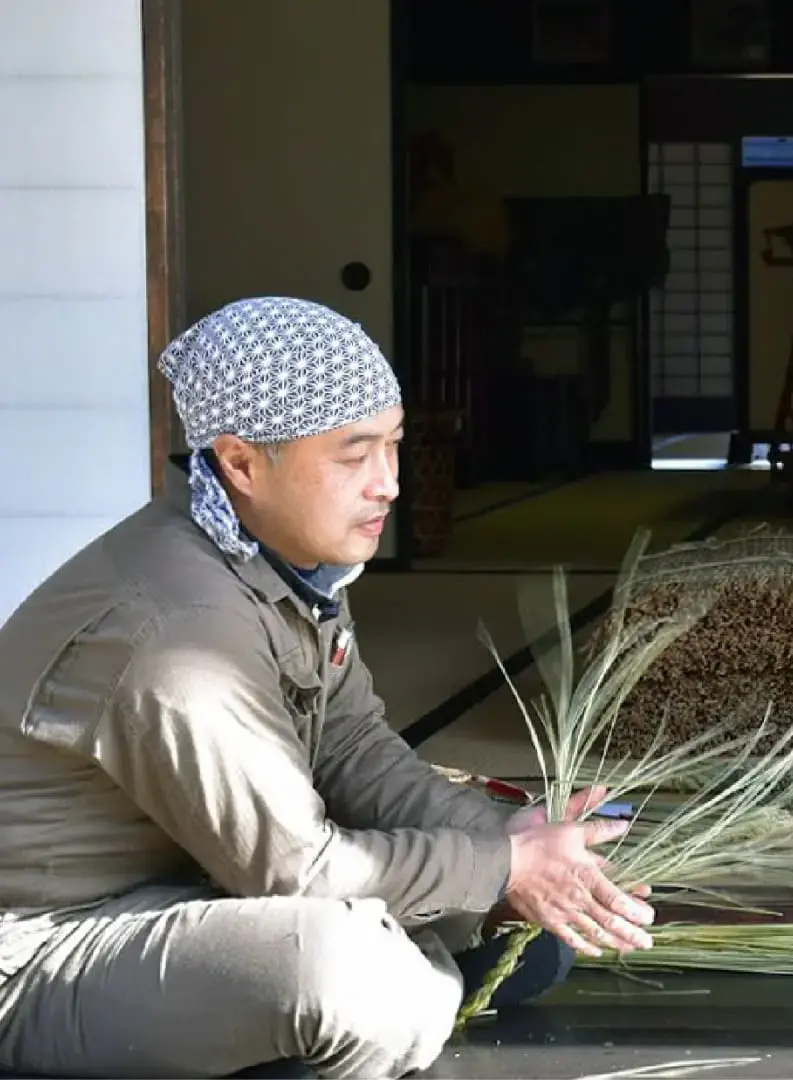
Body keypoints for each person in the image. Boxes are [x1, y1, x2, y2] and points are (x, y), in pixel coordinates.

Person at [0, 297, 657, 1079]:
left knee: (531, 931)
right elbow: (296, 873)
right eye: (353, 456)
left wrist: (508, 841)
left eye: (394, 447)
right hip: (45, 947)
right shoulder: (176, 629)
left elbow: (353, 748)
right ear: (241, 464)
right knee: (357, 979)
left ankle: (334, 1005)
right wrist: (500, 870)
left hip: (189, 891)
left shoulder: (280, 558)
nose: (388, 485)